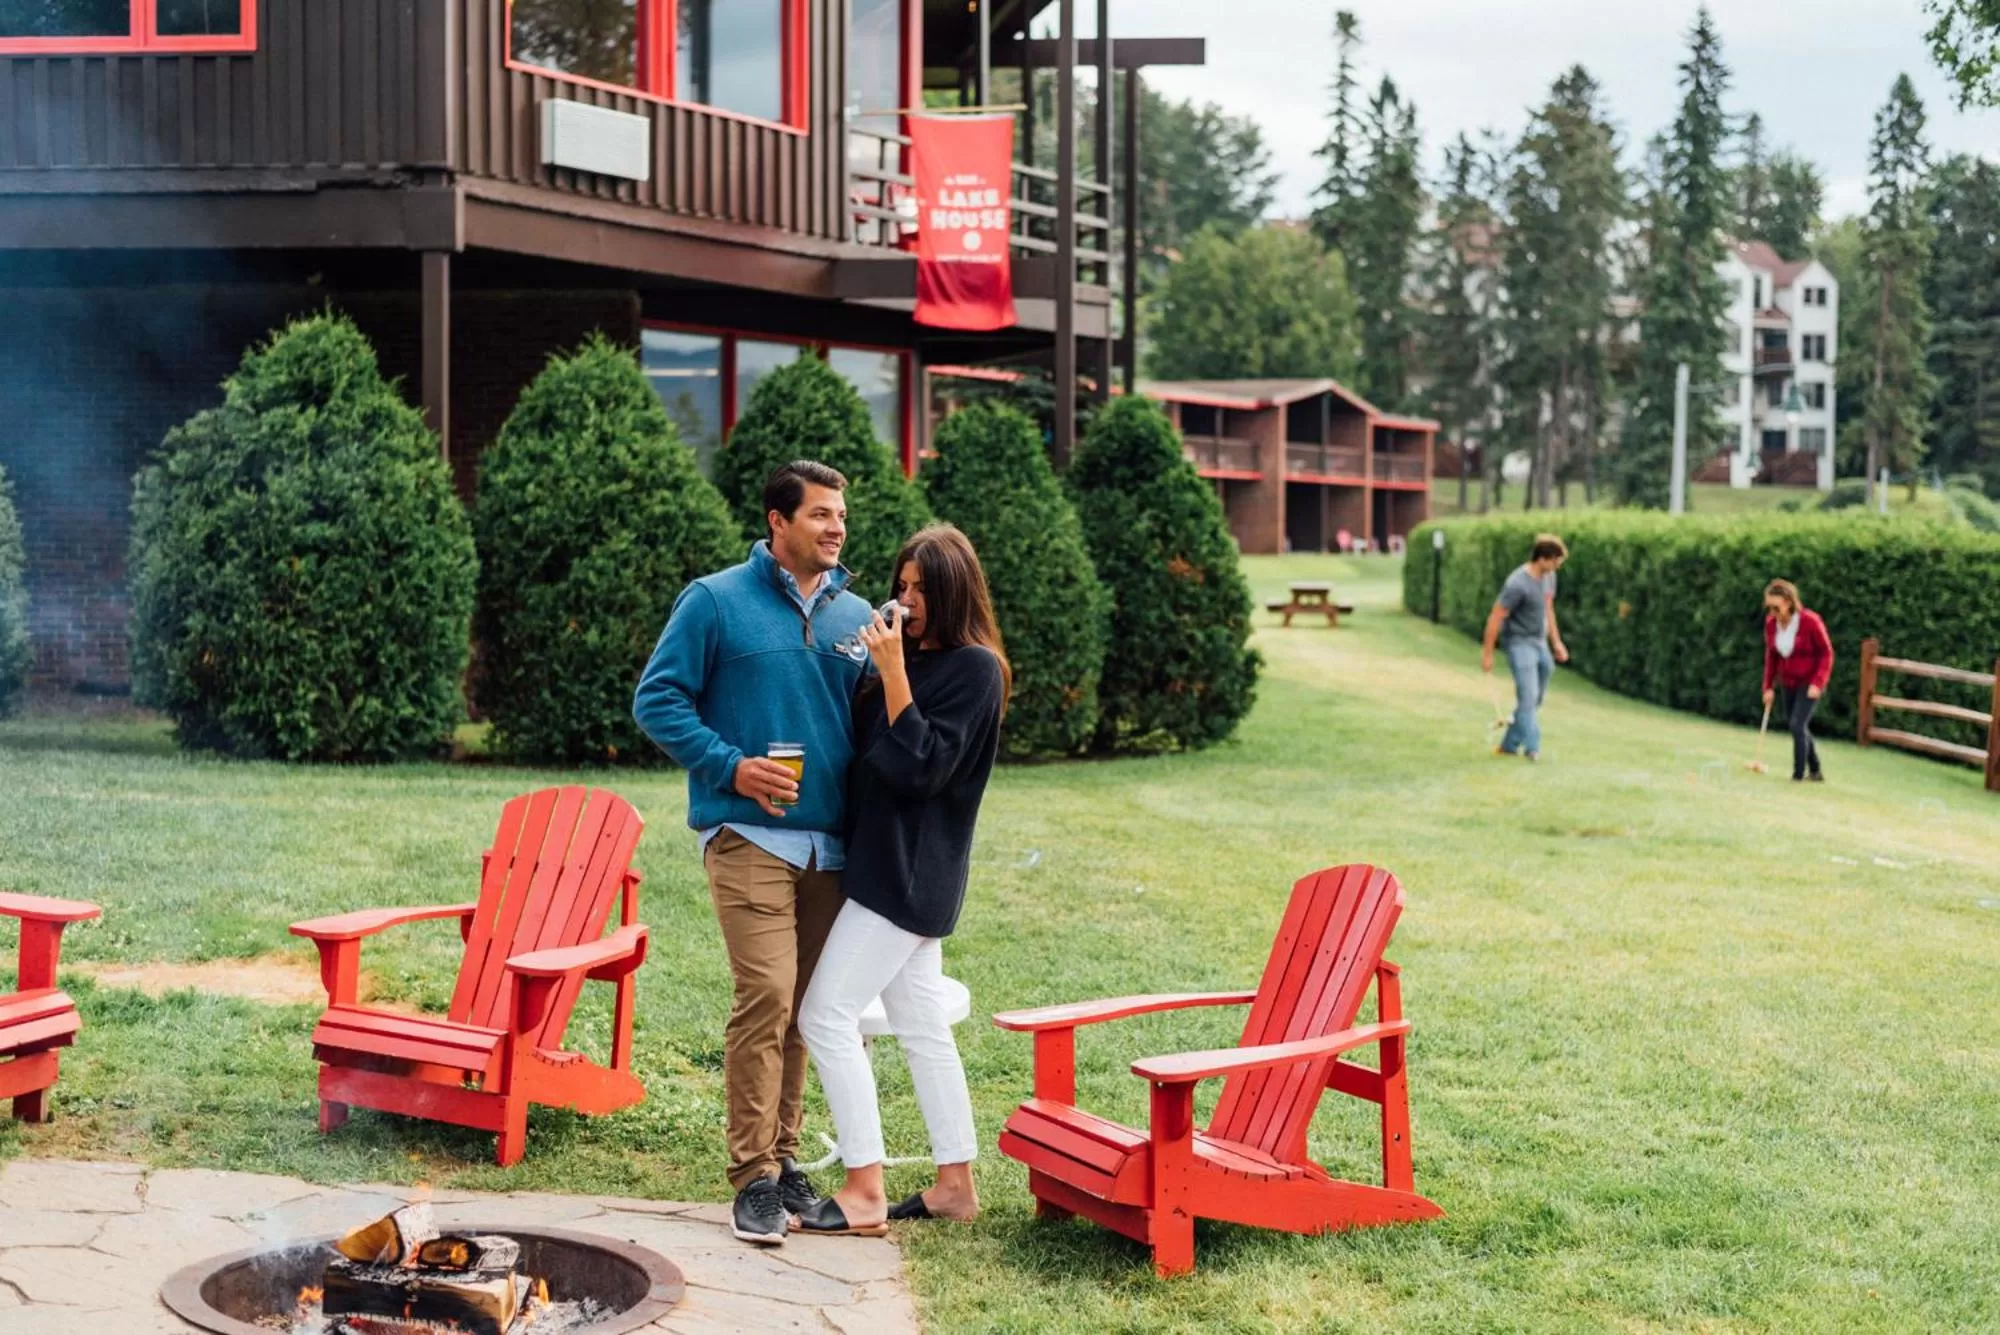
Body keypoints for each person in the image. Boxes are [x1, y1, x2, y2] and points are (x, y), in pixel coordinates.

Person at [632, 460, 874, 1247]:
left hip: (831, 848)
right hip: (749, 835)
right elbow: (656, 698)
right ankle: (753, 1176)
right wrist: (730, 765)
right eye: (819, 516)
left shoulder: (858, 618)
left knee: (808, 1006)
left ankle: (786, 1156)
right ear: (777, 520)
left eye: (840, 515)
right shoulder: (714, 601)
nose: (836, 528)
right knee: (767, 993)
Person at [792, 524, 1010, 1238]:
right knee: (922, 1028)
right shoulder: (908, 660)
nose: (905, 600)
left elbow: (921, 768)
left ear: (950, 592)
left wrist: (892, 674)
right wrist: (871, 665)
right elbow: (870, 749)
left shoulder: (976, 670)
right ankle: (955, 1184)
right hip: (887, 864)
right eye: (902, 584)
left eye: (920, 589)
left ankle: (864, 1187)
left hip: (907, 875)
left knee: (824, 1015)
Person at [1481, 533, 1571, 762]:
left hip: (1539, 642)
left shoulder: (1549, 577)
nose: (1557, 567)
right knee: (1528, 696)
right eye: (1555, 562)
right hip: (1519, 644)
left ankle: (1509, 745)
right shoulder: (1517, 584)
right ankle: (1533, 747)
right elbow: (1496, 616)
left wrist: (1556, 642)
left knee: (1534, 698)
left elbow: (1548, 609)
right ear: (1543, 559)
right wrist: (1488, 653)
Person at [1761, 578, 1833, 782]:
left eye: (1776, 608)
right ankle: (1816, 770)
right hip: (1788, 682)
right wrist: (1768, 687)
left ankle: (1798, 774)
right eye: (1769, 608)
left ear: (1789, 602)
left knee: (1796, 725)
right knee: (1798, 726)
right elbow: (1772, 657)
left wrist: (1818, 683)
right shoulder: (1771, 624)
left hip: (1810, 683)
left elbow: (1826, 653)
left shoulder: (1810, 621)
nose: (1772, 613)